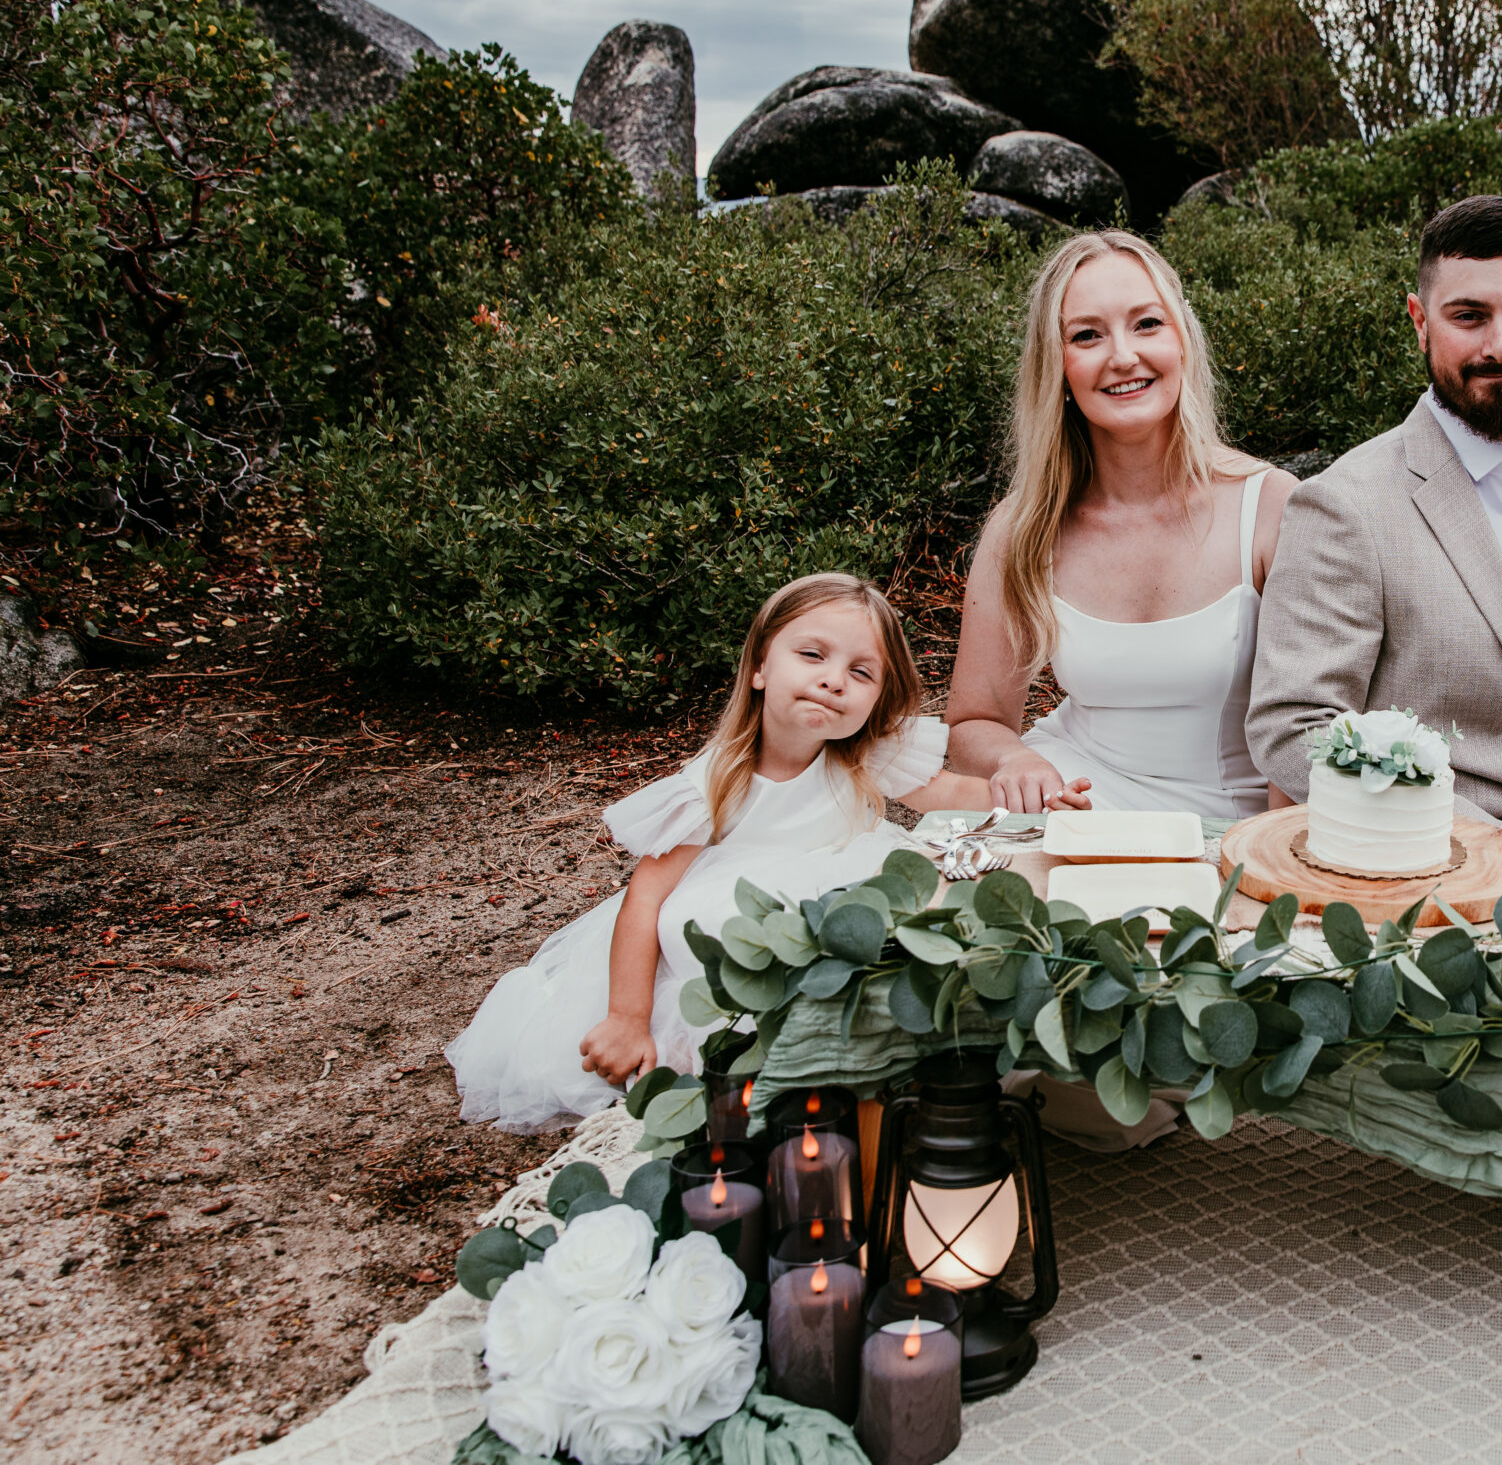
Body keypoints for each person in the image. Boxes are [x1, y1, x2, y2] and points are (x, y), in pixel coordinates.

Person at [446, 573, 992, 1132]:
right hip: (736, 928)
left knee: (918, 912)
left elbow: (953, 793)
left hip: (834, 910)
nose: (833, 681)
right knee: (707, 965)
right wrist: (627, 1018)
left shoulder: (862, 757)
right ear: (759, 667)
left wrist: (1034, 791)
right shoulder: (717, 782)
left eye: (860, 672)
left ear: (878, 696)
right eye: (812, 655)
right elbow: (645, 900)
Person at [1248, 196, 1502, 820]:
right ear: (1421, 322)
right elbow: (1293, 730)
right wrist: (1459, 835)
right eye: (1470, 317)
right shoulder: (1346, 506)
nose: (1501, 346)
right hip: (1446, 862)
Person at [946, 229, 1297, 819]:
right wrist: (1016, 761)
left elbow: (1307, 729)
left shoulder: (1271, 507)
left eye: (1147, 324)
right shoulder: (1023, 525)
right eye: (1087, 335)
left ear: (1182, 339)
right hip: (1075, 819)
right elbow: (973, 722)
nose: (1122, 356)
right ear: (1057, 366)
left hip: (1227, 832)